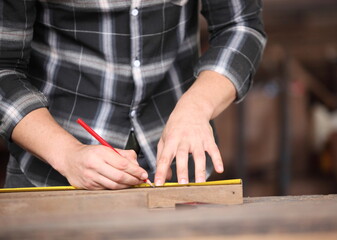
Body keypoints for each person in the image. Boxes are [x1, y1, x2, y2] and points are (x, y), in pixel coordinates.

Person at [0, 0, 266, 189]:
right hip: (50, 175)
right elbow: (3, 70)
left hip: (180, 174)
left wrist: (196, 107)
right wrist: (68, 154)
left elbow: (241, 25)